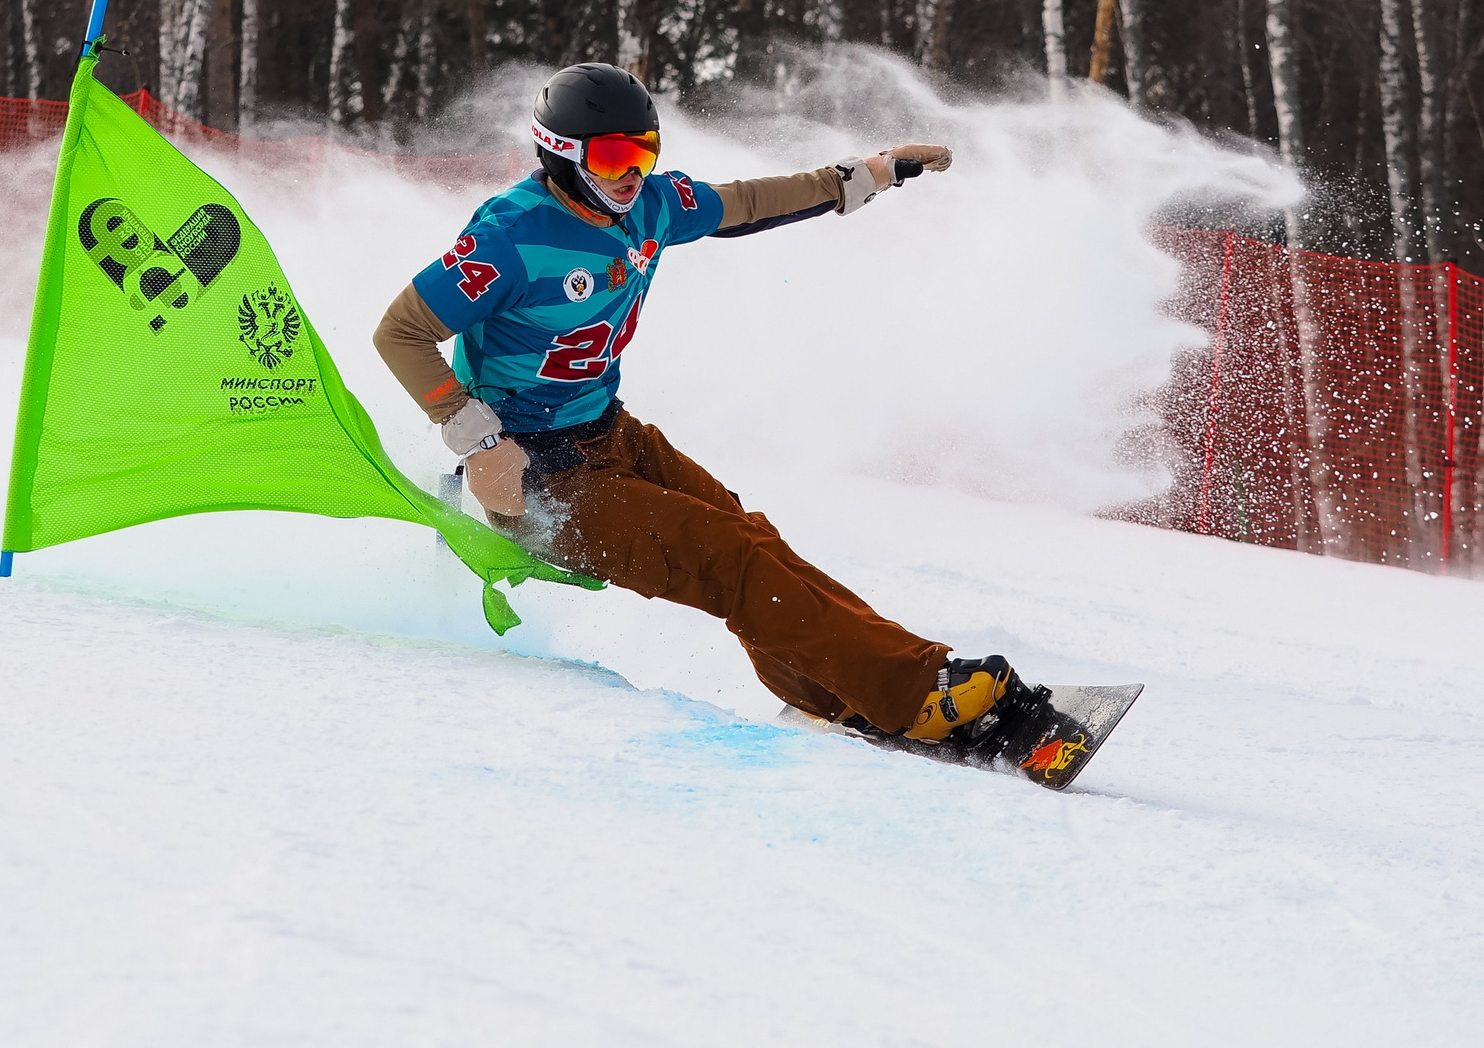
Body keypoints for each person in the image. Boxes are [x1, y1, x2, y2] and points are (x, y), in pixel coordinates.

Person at [373, 62, 1088, 781]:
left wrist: (865, 174)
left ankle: (842, 692)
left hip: (606, 434)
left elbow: (745, 202)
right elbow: (400, 331)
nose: (632, 175)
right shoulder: (511, 236)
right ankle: (914, 696)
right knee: (730, 558)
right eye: (613, 158)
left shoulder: (650, 207)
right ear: (561, 155)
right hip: (533, 482)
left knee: (751, 537)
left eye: (644, 152)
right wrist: (479, 439)